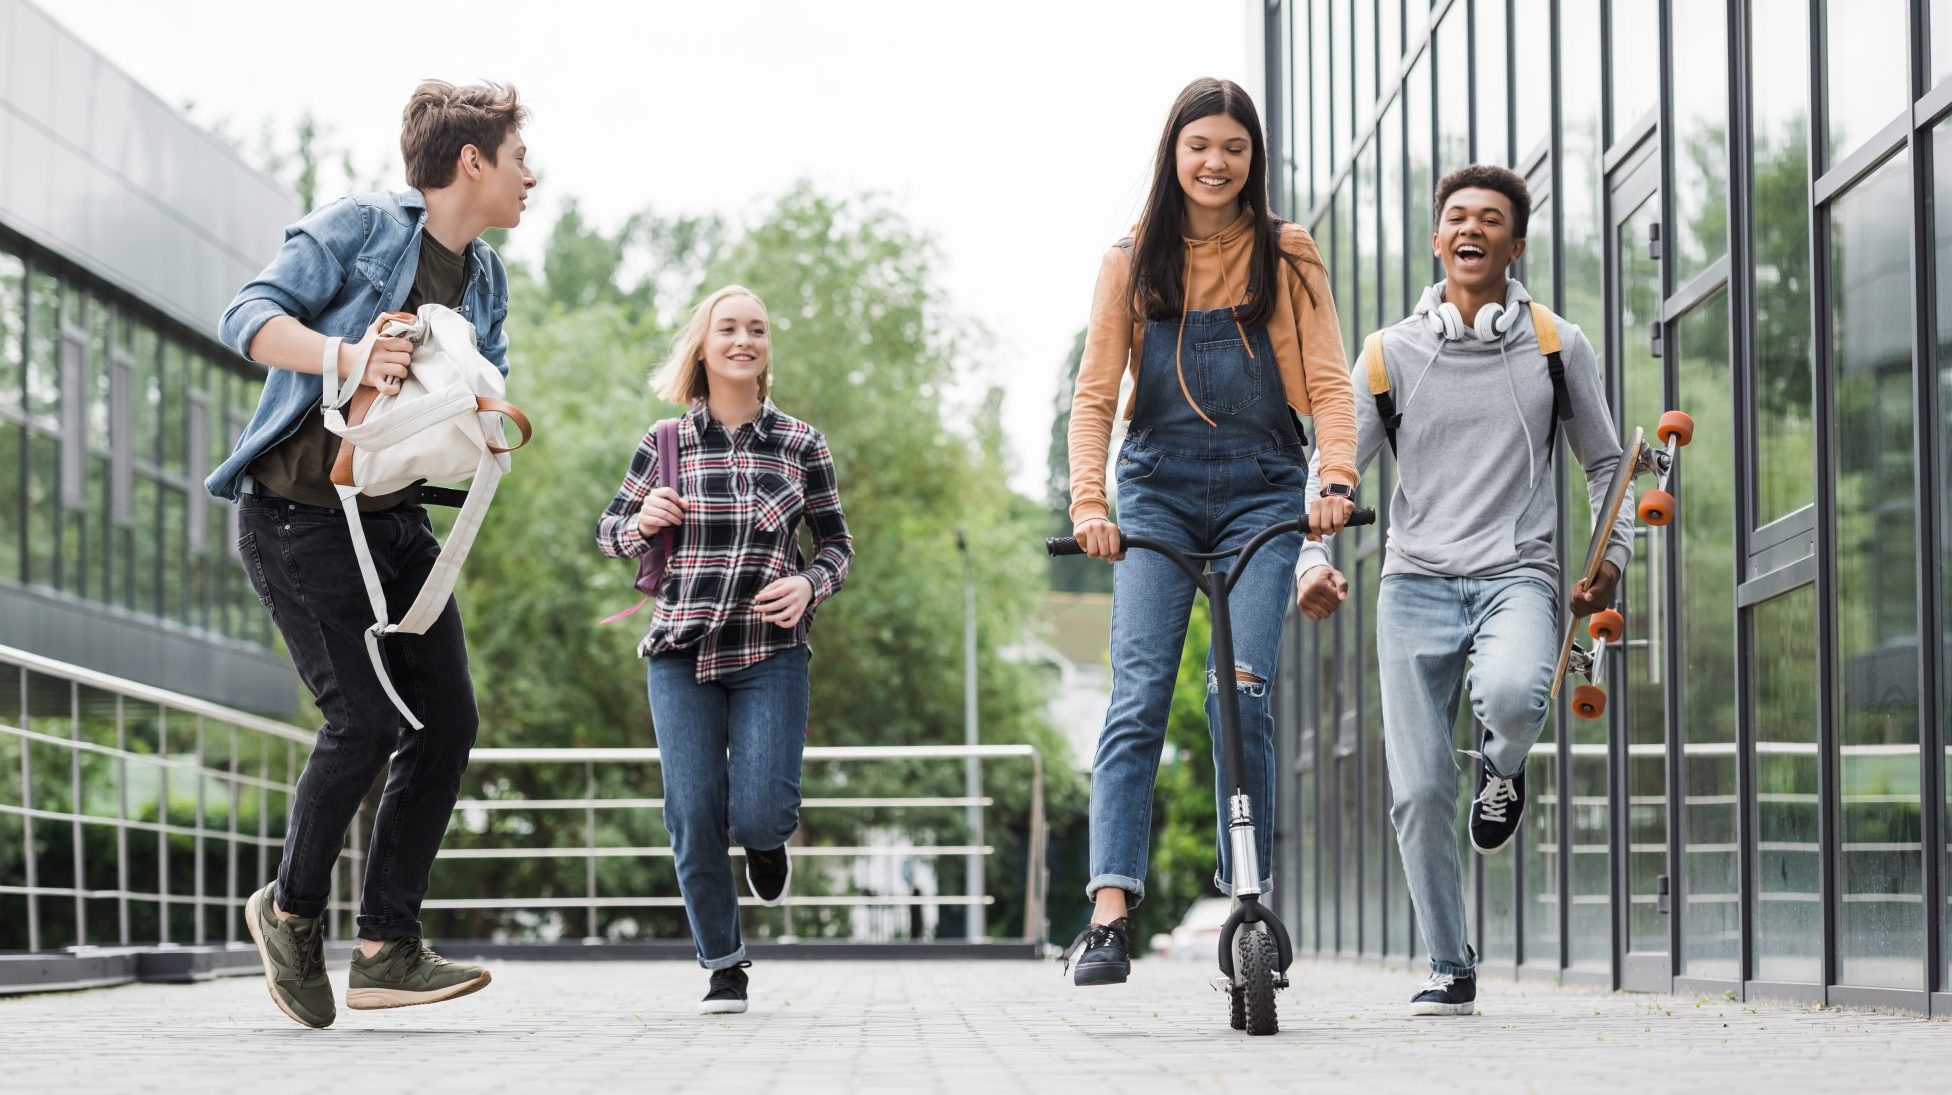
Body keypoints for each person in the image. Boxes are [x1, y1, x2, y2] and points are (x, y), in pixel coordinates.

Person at [207, 81, 535, 1029]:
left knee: (448, 721)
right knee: (363, 718)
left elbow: (482, 379)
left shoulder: (485, 278)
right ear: (471, 161)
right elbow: (247, 315)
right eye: (520, 157)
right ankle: (290, 910)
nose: (531, 176)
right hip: (295, 514)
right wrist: (349, 357)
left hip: (392, 519)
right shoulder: (360, 225)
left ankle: (389, 945)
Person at [1296, 164, 1634, 1016]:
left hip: (1518, 571)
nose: (1471, 228)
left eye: (1491, 218)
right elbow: (1331, 473)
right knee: (1416, 791)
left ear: (1516, 245)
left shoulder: (1558, 345)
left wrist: (1614, 554)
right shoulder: (1388, 355)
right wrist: (1310, 559)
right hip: (1413, 585)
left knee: (1519, 694)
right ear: (1438, 239)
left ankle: (1502, 766)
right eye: (1457, 217)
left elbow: (1606, 462)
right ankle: (1451, 963)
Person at [1063, 77, 1361, 986]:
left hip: (1264, 493)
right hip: (1155, 491)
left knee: (1242, 691)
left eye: (1233, 148)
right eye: (1200, 146)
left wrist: (1335, 480)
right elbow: (1095, 392)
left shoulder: (1288, 251)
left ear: (1251, 159)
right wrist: (1089, 505)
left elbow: (1328, 381)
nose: (1216, 162)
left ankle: (1248, 892)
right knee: (1139, 696)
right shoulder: (1132, 259)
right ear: (1174, 153)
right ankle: (1110, 911)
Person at [597, 285, 854, 1014]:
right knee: (691, 808)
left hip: (769, 650)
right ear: (703, 348)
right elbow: (609, 531)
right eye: (729, 329)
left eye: (757, 330)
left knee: (757, 813)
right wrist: (642, 518)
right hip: (681, 649)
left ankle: (766, 841)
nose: (744, 340)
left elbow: (837, 544)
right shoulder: (664, 443)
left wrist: (810, 584)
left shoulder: (801, 443)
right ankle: (723, 962)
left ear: (766, 348)